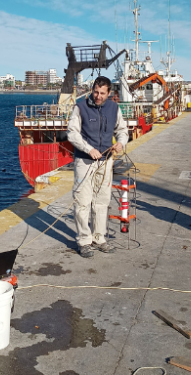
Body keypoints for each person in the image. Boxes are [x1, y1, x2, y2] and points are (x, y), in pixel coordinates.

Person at [66, 75, 129, 258]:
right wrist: (89, 149)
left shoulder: (114, 108)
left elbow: (122, 130)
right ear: (92, 89)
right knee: (83, 202)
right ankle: (84, 241)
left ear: (109, 93)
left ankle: (99, 238)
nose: (98, 96)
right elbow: (72, 133)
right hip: (84, 162)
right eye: (95, 92)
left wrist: (121, 143)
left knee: (102, 202)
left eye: (102, 93)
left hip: (106, 161)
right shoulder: (81, 107)